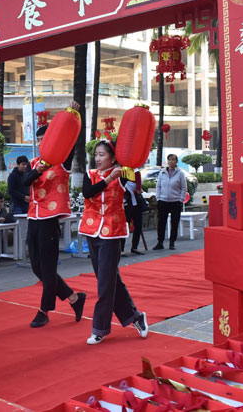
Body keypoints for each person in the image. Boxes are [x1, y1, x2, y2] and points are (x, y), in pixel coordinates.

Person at [22, 102, 86, 328]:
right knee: (37, 267)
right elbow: (22, 183)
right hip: (33, 218)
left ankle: (44, 310)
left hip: (49, 220)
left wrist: (71, 116)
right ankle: (74, 298)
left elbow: (71, 138)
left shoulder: (63, 161)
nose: (42, 143)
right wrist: (34, 172)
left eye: (45, 139)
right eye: (39, 140)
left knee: (48, 270)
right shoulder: (34, 163)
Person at [80, 139, 148, 345]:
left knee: (105, 284)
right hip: (92, 232)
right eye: (96, 154)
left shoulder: (123, 175)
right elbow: (87, 193)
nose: (98, 158)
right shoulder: (90, 175)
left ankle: (99, 328)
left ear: (112, 157)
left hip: (112, 234)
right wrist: (108, 178)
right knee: (110, 280)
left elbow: (136, 172)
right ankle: (135, 317)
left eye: (102, 155)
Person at [154, 154, 186, 251]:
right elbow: (158, 186)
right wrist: (158, 198)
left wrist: (181, 199)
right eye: (169, 160)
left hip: (175, 202)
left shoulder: (180, 173)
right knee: (161, 222)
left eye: (173, 160)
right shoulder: (162, 172)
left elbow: (183, 188)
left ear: (176, 162)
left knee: (174, 223)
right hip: (163, 201)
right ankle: (160, 242)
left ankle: (172, 242)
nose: (171, 161)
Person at [122, 170, 145, 256]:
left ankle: (135, 247)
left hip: (136, 204)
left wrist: (138, 189)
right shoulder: (122, 173)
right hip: (126, 205)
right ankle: (121, 249)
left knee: (138, 225)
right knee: (125, 226)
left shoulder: (137, 172)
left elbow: (139, 189)